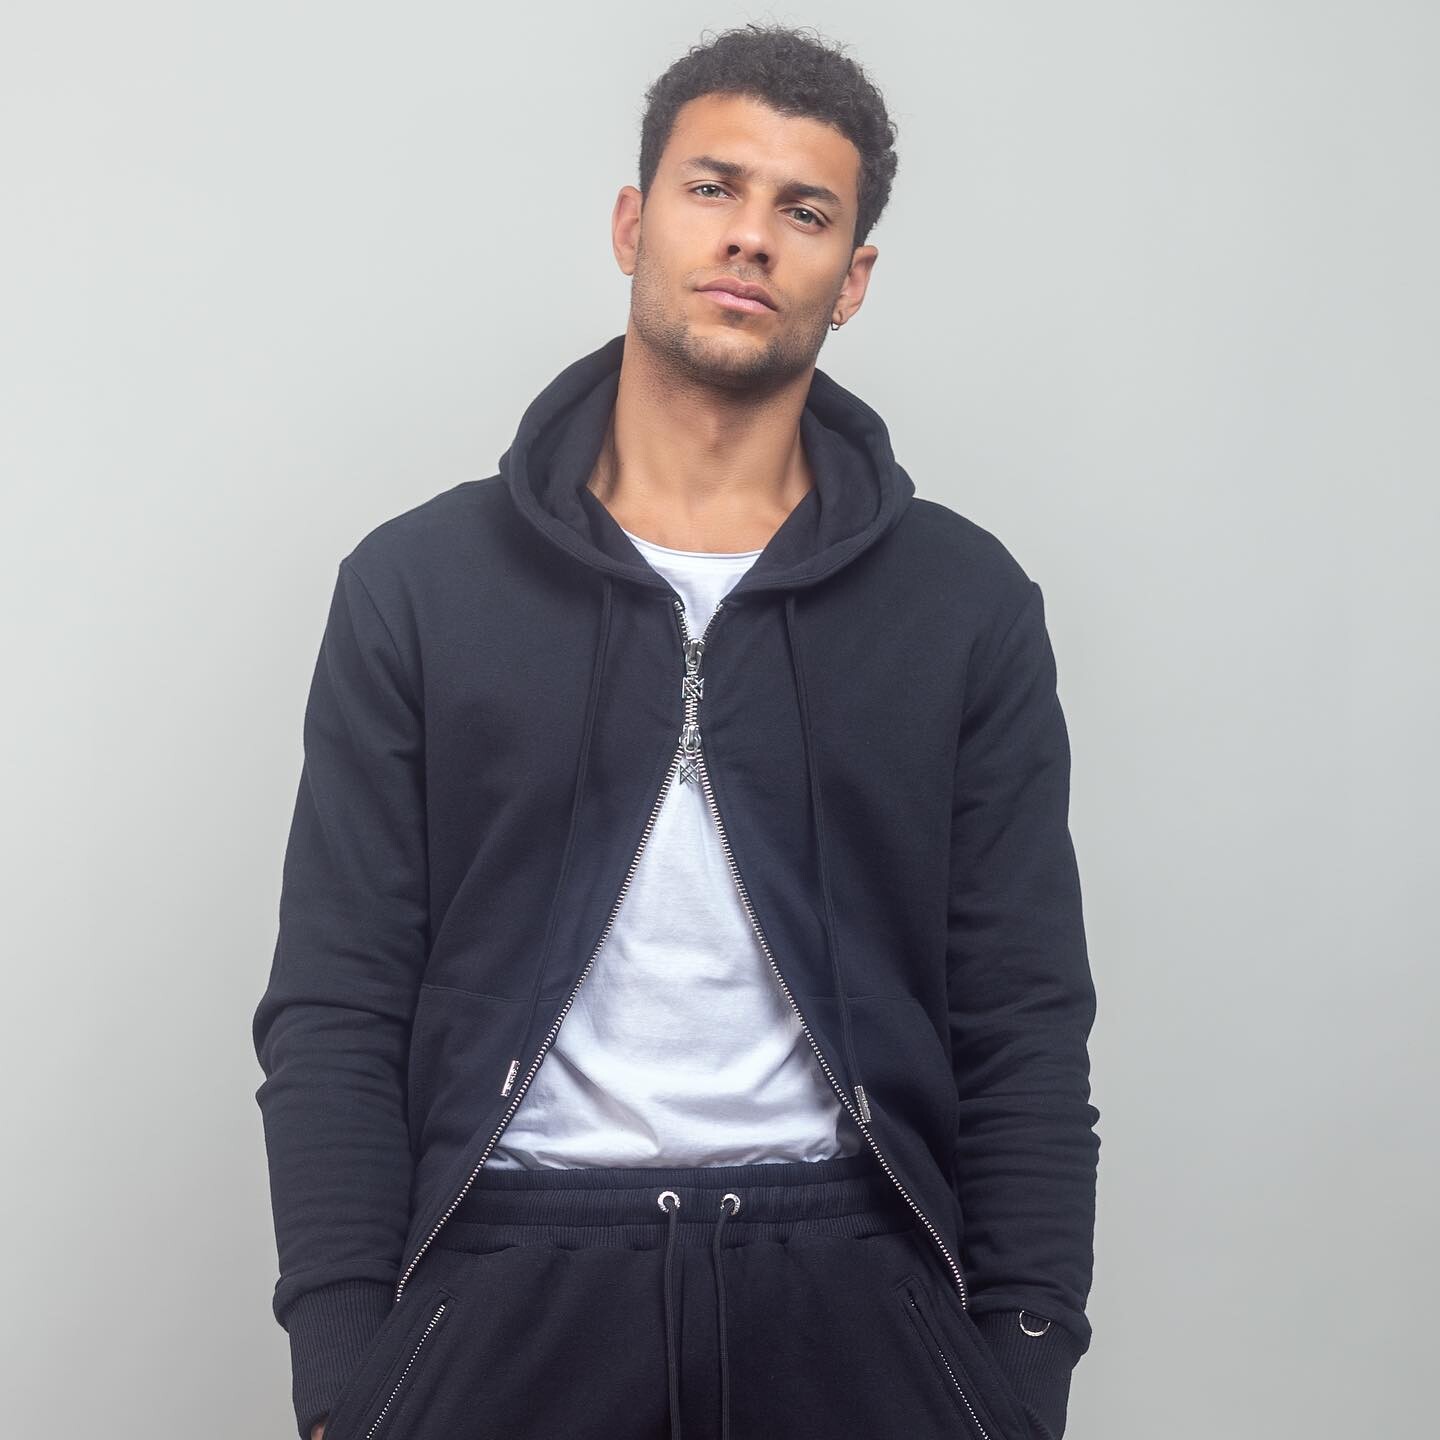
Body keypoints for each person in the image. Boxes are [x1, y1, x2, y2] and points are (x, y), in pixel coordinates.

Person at [251, 21, 1101, 1440]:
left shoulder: (965, 603)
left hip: (853, 1287)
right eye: (713, 188)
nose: (751, 235)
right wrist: (345, 1363)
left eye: (805, 211)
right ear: (632, 223)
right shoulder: (419, 586)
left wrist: (1021, 1363)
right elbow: (338, 1000)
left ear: (853, 278)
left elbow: (1021, 1018)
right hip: (507, 1282)